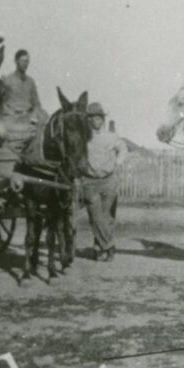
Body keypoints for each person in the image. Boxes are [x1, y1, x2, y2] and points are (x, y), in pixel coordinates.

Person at [81, 102, 127, 262]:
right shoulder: (84, 137)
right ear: (88, 120)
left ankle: (98, 248)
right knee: (96, 216)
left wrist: (117, 163)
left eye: (100, 117)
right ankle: (109, 246)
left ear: (103, 119)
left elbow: (123, 149)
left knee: (106, 217)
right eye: (94, 118)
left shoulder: (111, 136)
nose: (97, 120)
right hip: (90, 181)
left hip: (109, 180)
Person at [3, 49, 47, 124]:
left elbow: (36, 103)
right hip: (12, 116)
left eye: (27, 61)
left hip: (29, 116)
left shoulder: (30, 81)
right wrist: (10, 112)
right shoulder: (7, 80)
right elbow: (1, 103)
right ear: (16, 61)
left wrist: (34, 113)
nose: (25, 64)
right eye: (22, 60)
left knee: (45, 119)